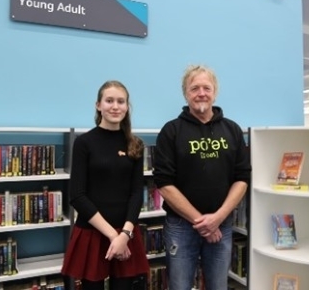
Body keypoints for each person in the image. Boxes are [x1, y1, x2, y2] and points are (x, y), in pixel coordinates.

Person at [153, 64, 251, 290]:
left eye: (206, 87)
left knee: (218, 286)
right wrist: (203, 222)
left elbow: (242, 177)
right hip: (181, 228)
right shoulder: (171, 131)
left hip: (222, 224)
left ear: (215, 91)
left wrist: (218, 218)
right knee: (179, 286)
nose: (201, 93)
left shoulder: (233, 130)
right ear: (185, 93)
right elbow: (164, 183)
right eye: (194, 88)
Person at [61, 80, 149, 290]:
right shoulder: (84, 143)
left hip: (126, 233)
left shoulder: (135, 144)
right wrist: (113, 236)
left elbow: (137, 193)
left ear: (127, 107)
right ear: (98, 105)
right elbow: (77, 196)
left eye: (121, 101)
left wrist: (125, 235)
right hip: (93, 233)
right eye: (109, 100)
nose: (115, 106)